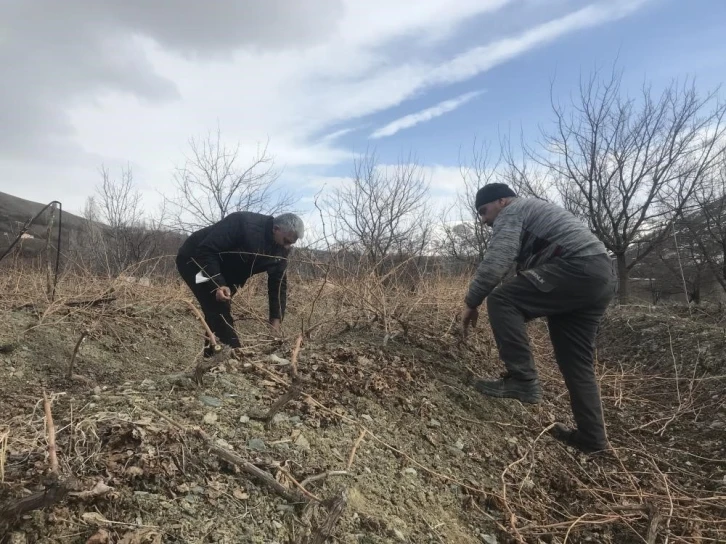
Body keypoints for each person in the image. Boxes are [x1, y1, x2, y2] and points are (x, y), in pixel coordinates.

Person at [461, 183, 617, 454]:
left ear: (502, 201)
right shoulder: (535, 214)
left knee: (501, 299)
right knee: (575, 362)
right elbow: (523, 272)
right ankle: (593, 439)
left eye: (484, 211)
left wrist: (471, 302)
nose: (484, 220)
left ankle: (522, 381)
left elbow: (498, 261)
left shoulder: (514, 211)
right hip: (600, 275)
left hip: (578, 268)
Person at [176, 212, 304, 357]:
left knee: (217, 312)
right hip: (196, 262)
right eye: (286, 241)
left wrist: (275, 321)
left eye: (291, 244)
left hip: (229, 274)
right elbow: (206, 250)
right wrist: (218, 283)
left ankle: (211, 359)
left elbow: (278, 285)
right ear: (276, 229)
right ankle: (234, 357)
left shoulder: (281, 250)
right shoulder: (243, 223)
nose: (287, 247)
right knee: (217, 307)